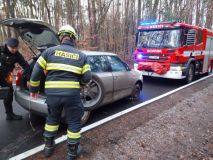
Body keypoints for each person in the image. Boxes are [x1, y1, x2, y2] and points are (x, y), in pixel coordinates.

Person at [29, 25, 92, 160]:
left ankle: (48, 147)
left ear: (60, 37)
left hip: (52, 95)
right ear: (73, 38)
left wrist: (33, 89)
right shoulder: (81, 56)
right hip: (72, 95)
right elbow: (87, 77)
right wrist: (80, 83)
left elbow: (36, 72)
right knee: (74, 121)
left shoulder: (48, 52)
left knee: (52, 119)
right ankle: (72, 152)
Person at [0, 38, 31, 120]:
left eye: (15, 48)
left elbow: (26, 66)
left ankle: (9, 115)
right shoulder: (1, 50)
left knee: (9, 94)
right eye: (12, 48)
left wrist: (29, 79)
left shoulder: (17, 54)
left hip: (7, 76)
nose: (14, 49)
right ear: (7, 45)